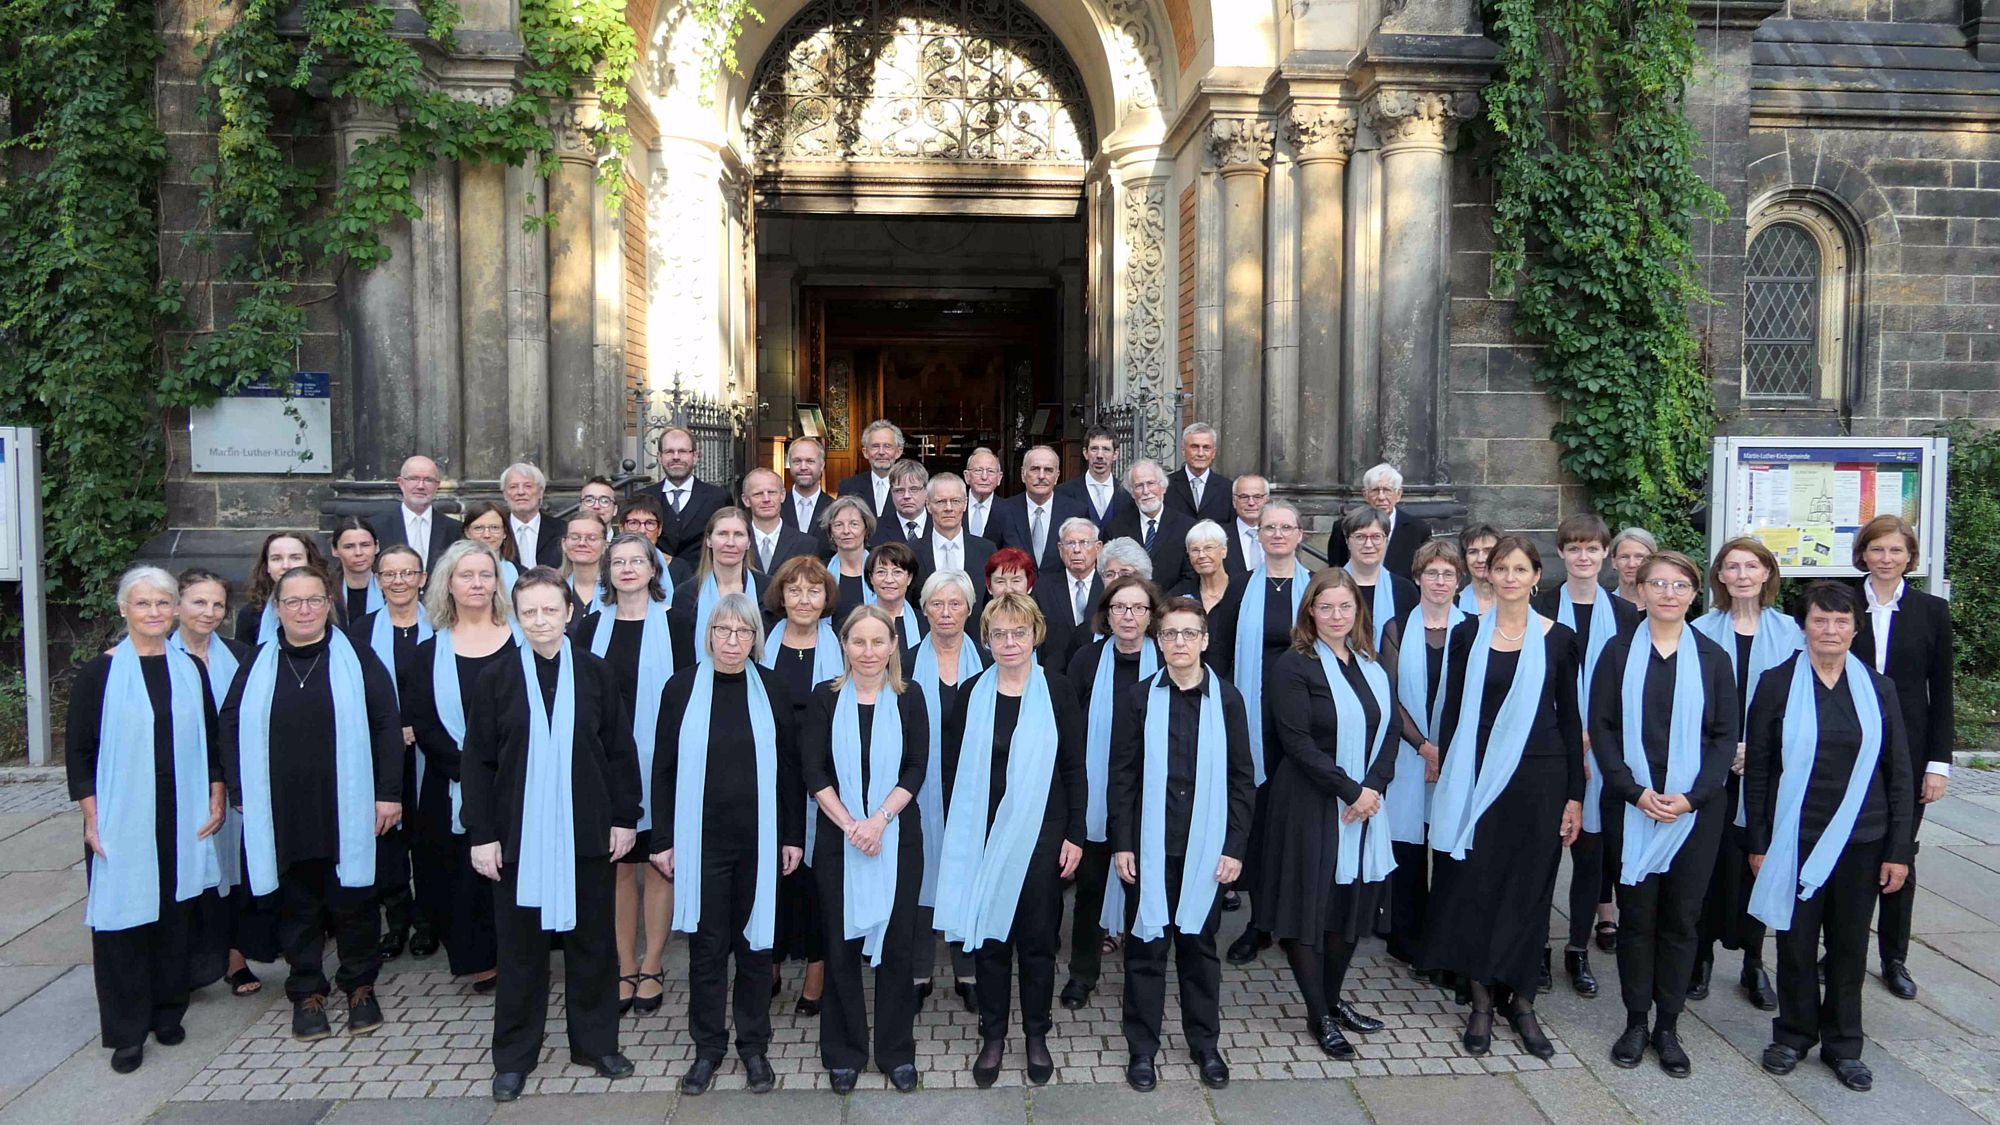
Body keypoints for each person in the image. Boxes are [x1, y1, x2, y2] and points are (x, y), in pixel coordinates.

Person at [462, 568, 642, 1102]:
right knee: (521, 951)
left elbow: (618, 750)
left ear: (569, 612)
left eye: (549, 610)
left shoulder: (595, 673)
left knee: (593, 945)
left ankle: (596, 1044)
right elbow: (478, 762)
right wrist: (482, 834)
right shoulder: (494, 679)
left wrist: (625, 817)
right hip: (517, 837)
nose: (540, 620)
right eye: (529, 612)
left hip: (587, 831)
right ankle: (515, 1056)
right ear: (516, 617)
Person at [220, 566, 402, 1042]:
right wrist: (239, 791)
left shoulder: (358, 658)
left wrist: (388, 794)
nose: (304, 610)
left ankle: (360, 986)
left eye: (314, 600)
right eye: (293, 601)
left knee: (354, 901)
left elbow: (387, 724)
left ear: (329, 604)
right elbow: (229, 726)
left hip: (349, 804)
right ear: (277, 608)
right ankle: (307, 992)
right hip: (281, 809)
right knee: (296, 902)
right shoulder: (256, 663)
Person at [1746, 581, 1914, 1093]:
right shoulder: (1776, 683)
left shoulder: (1878, 688)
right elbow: (1757, 772)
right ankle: (1794, 1035)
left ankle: (1844, 1044)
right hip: (1796, 837)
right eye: (1820, 620)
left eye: (1841, 622)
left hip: (1862, 840)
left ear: (1855, 628)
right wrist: (1758, 840)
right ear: (1804, 627)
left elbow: (1899, 773)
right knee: (1795, 944)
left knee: (1846, 948)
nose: (1830, 630)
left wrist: (1898, 850)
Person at [1423, 536, 1583, 1061]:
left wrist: (1574, 797)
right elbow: (1451, 710)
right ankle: (1481, 1001)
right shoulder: (1468, 633)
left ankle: (1524, 1001)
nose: (1511, 577)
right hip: (1478, 776)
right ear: (1487, 574)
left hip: (1540, 779)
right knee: (1479, 887)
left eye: (1521, 568)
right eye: (1501, 568)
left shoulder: (1559, 639)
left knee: (1531, 890)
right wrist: (1447, 773)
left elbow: (1570, 718)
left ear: (1537, 576)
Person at [71, 568, 225, 1074]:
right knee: (124, 919)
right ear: (124, 610)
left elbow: (211, 736)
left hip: (180, 808)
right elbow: (80, 753)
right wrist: (92, 817)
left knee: (175, 909)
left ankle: (167, 1009)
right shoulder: (100, 673)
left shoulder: (189, 669)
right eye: (144, 604)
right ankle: (126, 1029)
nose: (155, 612)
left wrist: (216, 791)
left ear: (175, 609)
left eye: (163, 603)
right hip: (121, 811)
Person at [1589, 551, 1737, 1077]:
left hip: (1694, 813)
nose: (1669, 593)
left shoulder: (1714, 659)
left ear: (1694, 593)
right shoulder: (1616, 652)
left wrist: (1693, 797)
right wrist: (1632, 791)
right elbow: (1602, 728)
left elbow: (1724, 738)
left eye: (1680, 585)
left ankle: (1668, 1025)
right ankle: (1634, 1020)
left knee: (1679, 920)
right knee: (1637, 920)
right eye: (1659, 583)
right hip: (1634, 807)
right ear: (1642, 589)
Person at [651, 593, 804, 1096]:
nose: (733, 641)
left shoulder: (774, 689)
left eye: (743, 632)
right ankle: (708, 1048)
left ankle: (754, 1047)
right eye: (723, 631)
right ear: (709, 634)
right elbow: (664, 769)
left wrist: (792, 836)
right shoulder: (680, 689)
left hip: (759, 841)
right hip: (701, 843)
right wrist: (664, 839)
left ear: (755, 637)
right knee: (708, 949)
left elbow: (790, 771)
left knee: (757, 949)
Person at [936, 593, 1085, 1088]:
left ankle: (1036, 1035)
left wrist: (1075, 834)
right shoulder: (971, 693)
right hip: (984, 838)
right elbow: (953, 772)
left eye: (1018, 632)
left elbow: (1074, 769)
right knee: (991, 943)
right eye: (998, 633)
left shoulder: (1058, 691)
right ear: (986, 638)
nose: (1008, 642)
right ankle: (993, 1035)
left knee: (1039, 944)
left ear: (1035, 634)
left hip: (1044, 838)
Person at [1106, 597, 1254, 1092]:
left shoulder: (1228, 700)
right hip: (1151, 846)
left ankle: (1204, 1045)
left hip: (1206, 848)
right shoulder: (1139, 698)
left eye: (1189, 634)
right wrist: (1122, 842)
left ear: (1205, 641)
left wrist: (1234, 847)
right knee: (1146, 950)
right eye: (1171, 634)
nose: (1180, 643)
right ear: (1158, 640)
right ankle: (1142, 1050)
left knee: (1199, 948)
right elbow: (1122, 776)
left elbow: (1241, 781)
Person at [1259, 568, 1401, 1059]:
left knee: (1349, 908)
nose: (1336, 615)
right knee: (1308, 908)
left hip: (1363, 806)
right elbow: (1295, 742)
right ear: (1309, 613)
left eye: (1345, 606)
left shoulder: (1371, 664)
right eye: (1326, 607)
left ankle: (1333, 1000)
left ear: (1357, 612)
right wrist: (1350, 791)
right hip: (1309, 803)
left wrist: (1373, 788)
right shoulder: (1292, 666)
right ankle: (1318, 1013)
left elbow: (1390, 730)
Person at [801, 606, 931, 1094]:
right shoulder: (823, 699)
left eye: (879, 642)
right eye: (859, 642)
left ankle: (896, 1052)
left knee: (897, 947)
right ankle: (843, 1052)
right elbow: (813, 771)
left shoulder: (909, 696)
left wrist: (878, 822)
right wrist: (852, 826)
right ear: (844, 646)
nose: (869, 652)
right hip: (839, 839)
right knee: (840, 947)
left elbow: (917, 767)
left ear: (893, 645)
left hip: (896, 836)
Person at [1689, 537, 1801, 1010]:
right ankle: (1700, 957)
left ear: (1766, 574)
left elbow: (1797, 702)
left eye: (1750, 566)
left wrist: (1756, 749)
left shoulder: (1792, 630)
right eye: (1731, 567)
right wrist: (1721, 751)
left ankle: (1754, 961)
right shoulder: (1699, 628)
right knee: (1707, 865)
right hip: (1704, 765)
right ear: (1719, 576)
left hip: (1766, 768)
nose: (1741, 575)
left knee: (1757, 864)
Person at [1533, 512, 1641, 995]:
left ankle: (1577, 949)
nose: (1583, 557)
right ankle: (1536, 948)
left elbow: (1628, 685)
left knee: (1591, 857)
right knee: (1541, 853)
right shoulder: (1543, 604)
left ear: (1606, 557)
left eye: (1592, 549)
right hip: (1549, 747)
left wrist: (1594, 734)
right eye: (1574, 548)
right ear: (1562, 553)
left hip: (1603, 749)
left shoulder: (1624, 615)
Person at [1850, 514, 1954, 1001]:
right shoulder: (1841, 603)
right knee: (1846, 855)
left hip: (1909, 752)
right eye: (1877, 550)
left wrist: (1939, 763)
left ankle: (1894, 957)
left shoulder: (1931, 611)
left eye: (1896, 551)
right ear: (1863, 554)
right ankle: (1841, 949)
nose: (1886, 559)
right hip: (1847, 748)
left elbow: (1942, 693)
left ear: (1910, 557)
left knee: (1899, 854)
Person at [404, 540, 514, 993]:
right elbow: (424, 724)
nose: (476, 583)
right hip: (449, 780)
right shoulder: (427, 654)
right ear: (447, 584)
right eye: (465, 575)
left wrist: (503, 770)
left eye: (484, 575)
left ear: (497, 582)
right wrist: (471, 771)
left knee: (511, 873)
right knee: (457, 876)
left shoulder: (524, 640)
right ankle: (478, 959)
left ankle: (518, 955)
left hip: (517, 779)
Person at [582, 534, 681, 1017]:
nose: (626, 569)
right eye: (616, 562)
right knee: (619, 867)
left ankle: (654, 963)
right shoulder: (586, 629)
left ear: (652, 569)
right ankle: (624, 964)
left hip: (664, 763)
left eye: (635, 561)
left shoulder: (678, 625)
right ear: (606, 572)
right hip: (603, 768)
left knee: (660, 864)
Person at [1060, 575, 1164, 1010]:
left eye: (1138, 608)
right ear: (1106, 612)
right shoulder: (1086, 660)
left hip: (1151, 795)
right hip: (1095, 793)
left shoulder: (1166, 661)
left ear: (1151, 616)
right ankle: (1082, 975)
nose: (1128, 616)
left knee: (1144, 891)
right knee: (1088, 891)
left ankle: (1142, 983)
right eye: (1120, 607)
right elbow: (1067, 727)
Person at [171, 569, 277, 996]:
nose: (209, 612)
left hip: (232, 779)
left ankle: (235, 958)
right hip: (180, 782)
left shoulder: (240, 654)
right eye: (199, 602)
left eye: (217, 604)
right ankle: (184, 966)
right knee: (184, 872)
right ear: (178, 604)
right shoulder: (158, 655)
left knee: (233, 871)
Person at [1222, 502, 1309, 965]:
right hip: (1253, 724)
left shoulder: (1318, 589)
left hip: (1305, 725)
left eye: (1286, 527)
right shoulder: (1240, 588)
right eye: (1269, 527)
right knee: (1259, 822)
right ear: (1258, 535)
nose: (1277, 534)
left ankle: (1296, 920)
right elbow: (1217, 652)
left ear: (1299, 534)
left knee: (1297, 822)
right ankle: (1259, 924)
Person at [759, 556, 843, 1020]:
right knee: (771, 874)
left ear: (825, 598)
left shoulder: (841, 648)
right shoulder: (760, 646)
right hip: (768, 775)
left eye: (814, 591)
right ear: (781, 597)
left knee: (815, 882)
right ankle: (767, 961)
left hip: (822, 776)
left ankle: (817, 969)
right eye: (795, 590)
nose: (804, 599)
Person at [346, 546, 433, 963]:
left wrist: (421, 726)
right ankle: (397, 921)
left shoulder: (442, 625)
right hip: (380, 752)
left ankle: (429, 921)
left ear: (423, 577)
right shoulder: (358, 633)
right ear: (378, 580)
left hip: (431, 750)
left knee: (429, 839)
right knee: (389, 840)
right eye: (389, 574)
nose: (399, 581)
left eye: (407, 573)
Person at [1383, 540, 1467, 969]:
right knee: (1409, 849)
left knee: (1450, 847)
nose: (1439, 581)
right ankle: (1407, 938)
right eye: (1431, 573)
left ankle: (1447, 938)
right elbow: (1390, 696)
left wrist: (1447, 752)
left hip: (1458, 758)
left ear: (1459, 580)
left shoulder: (1473, 629)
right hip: (1409, 753)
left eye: (1448, 574)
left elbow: (1475, 700)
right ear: (1417, 578)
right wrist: (1425, 748)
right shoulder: (1395, 629)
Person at [908, 570, 986, 1011]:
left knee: (966, 876)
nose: (946, 613)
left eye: (955, 604)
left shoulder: (992, 663)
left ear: (970, 610)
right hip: (921, 788)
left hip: (970, 787)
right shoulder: (904, 661)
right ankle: (919, 972)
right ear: (925, 610)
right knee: (922, 875)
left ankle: (968, 971)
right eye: (937, 604)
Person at [668, 507, 765, 660]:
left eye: (738, 535)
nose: (730, 543)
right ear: (708, 540)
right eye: (722, 534)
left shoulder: (767, 590)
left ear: (749, 542)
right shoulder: (686, 594)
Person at [992, 446, 1091, 574]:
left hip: (1059, 591)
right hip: (1017, 591)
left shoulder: (1076, 512)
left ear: (1057, 476)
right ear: (1023, 474)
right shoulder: (1003, 511)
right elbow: (993, 560)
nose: (1041, 476)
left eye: (1048, 470)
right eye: (1035, 469)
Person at [1104, 459, 1197, 589]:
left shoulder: (1187, 527)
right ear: (1131, 492)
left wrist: (1164, 606)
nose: (1146, 491)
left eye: (1151, 483)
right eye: (1139, 486)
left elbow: (1191, 575)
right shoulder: (1115, 529)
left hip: (1171, 605)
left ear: (1163, 487)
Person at [1325, 464, 1433, 575]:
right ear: (1365, 495)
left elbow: (1422, 574)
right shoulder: (1343, 527)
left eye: (1387, 490)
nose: (1381, 497)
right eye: (1375, 490)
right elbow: (1336, 571)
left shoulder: (1418, 530)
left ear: (1399, 494)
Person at [1340, 506, 1421, 649]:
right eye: (1360, 537)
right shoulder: (1328, 586)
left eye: (1376, 537)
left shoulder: (1405, 590)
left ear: (1386, 541)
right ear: (1347, 541)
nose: (1368, 544)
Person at [644, 427, 729, 559]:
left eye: (683, 451)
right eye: (669, 452)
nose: (676, 457)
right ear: (659, 457)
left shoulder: (718, 498)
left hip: (702, 576)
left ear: (695, 457)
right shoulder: (643, 497)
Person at [1033, 518, 1103, 671]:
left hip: (1099, 671)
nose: (1077, 550)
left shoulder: (1109, 587)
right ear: (1060, 548)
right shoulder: (1043, 587)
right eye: (1070, 543)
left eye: (1084, 542)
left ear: (1098, 548)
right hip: (1054, 673)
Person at [235, 533, 328, 645]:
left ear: (309, 563)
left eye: (295, 558)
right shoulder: (250, 614)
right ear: (267, 567)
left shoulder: (331, 608)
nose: (286, 565)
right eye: (277, 558)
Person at [912, 472, 996, 597]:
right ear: (928, 505)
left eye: (955, 501)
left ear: (965, 504)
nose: (948, 508)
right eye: (941, 501)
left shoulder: (986, 550)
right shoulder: (912, 552)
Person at [377, 455, 462, 570]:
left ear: (437, 486)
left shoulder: (455, 530)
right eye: (413, 479)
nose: (420, 486)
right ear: (401, 483)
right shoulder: (377, 527)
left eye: (428, 480)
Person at [743, 467, 818, 575]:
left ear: (782, 495)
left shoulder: (806, 544)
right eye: (758, 494)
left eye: (772, 492)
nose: (766, 499)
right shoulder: (736, 541)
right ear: (746, 500)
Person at [1057, 425, 1130, 527]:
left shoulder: (1128, 494)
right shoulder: (1064, 493)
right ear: (1085, 453)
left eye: (1106, 449)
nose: (1099, 455)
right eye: (1094, 449)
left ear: (1115, 454)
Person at [837, 419, 907, 523]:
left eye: (887, 446)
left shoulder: (911, 488)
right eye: (875, 446)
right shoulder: (848, 487)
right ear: (865, 452)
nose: (881, 452)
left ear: (898, 452)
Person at [1165, 423, 1232, 525]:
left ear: (1213, 453)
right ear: (1183, 450)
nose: (1200, 453)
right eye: (1194, 447)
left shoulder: (1228, 488)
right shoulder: (1166, 486)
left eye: (1206, 448)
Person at [868, 542, 927, 657]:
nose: (889, 579)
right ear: (871, 578)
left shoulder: (926, 624)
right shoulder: (856, 622)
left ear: (909, 578)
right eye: (881, 572)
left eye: (897, 572)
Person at [500, 462, 564, 569]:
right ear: (505, 494)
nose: (520, 492)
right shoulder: (496, 529)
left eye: (528, 486)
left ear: (540, 492)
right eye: (513, 487)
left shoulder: (562, 530)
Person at [822, 495, 878, 614]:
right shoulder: (820, 572)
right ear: (831, 532)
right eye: (838, 525)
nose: (846, 531)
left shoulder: (881, 570)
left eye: (854, 524)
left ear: (866, 529)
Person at [1172, 520, 1234, 620]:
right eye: (1195, 550)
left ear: (1224, 551)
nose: (1201, 555)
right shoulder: (1178, 595)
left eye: (1208, 548)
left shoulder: (1242, 591)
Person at [461, 501, 523, 594]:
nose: (487, 535)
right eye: (478, 528)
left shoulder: (521, 574)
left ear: (505, 533)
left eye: (494, 527)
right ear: (467, 532)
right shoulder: (452, 571)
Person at [331, 517, 384, 625]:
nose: (358, 552)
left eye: (365, 545)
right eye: (349, 547)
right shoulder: (326, 590)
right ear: (335, 550)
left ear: (377, 546)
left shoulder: (390, 588)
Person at [871, 460, 932, 547]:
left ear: (926, 491)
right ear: (892, 492)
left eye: (914, 489)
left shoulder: (940, 525)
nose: (906, 496)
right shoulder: (875, 529)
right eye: (899, 490)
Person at [559, 513, 608, 619]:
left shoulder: (617, 589)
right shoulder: (551, 586)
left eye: (592, 538)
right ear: (564, 544)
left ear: (605, 546)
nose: (582, 543)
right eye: (574, 537)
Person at [1220, 474, 1269, 578]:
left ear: (1266, 500)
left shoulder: (1279, 535)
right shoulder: (1218, 536)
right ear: (1234, 501)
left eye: (1257, 497)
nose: (1251, 503)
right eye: (1244, 497)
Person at [785, 436, 830, 542]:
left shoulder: (833, 508)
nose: (803, 467)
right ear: (789, 464)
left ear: (822, 465)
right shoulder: (777, 505)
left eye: (810, 461)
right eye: (797, 461)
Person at [1456, 523, 1501, 615]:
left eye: (1488, 551)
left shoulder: (1526, 602)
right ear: (1464, 558)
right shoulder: (1453, 606)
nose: (1480, 559)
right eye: (1473, 552)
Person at [1608, 528, 1659, 606]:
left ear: (1653, 561)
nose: (1631, 564)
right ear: (1614, 562)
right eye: (1624, 557)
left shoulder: (1665, 608)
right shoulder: (1602, 606)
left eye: (1639, 557)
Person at [963, 447, 1003, 541]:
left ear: (999, 478)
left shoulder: (1010, 511)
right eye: (978, 470)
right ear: (967, 476)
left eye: (991, 471)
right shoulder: (954, 506)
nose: (984, 477)